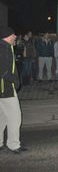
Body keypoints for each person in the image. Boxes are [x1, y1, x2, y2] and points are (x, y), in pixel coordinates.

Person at [0, 26, 27, 154]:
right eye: (13, 34)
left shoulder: (6, 47)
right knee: (15, 117)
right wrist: (15, 81)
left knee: (3, 117)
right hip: (6, 89)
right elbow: (3, 70)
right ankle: (13, 144)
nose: (15, 36)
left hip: (4, 88)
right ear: (7, 36)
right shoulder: (3, 48)